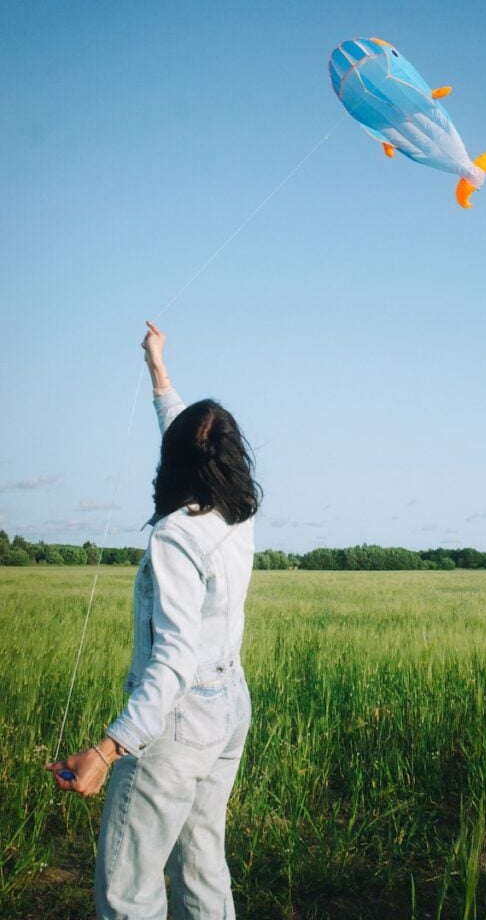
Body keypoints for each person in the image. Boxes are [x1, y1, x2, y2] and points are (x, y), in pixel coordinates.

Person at [47, 320, 260, 920]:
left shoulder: (175, 535)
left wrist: (107, 751)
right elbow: (186, 434)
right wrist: (157, 368)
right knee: (203, 866)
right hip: (229, 706)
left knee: (129, 889)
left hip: (178, 720)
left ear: (178, 464)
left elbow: (171, 663)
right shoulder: (237, 511)